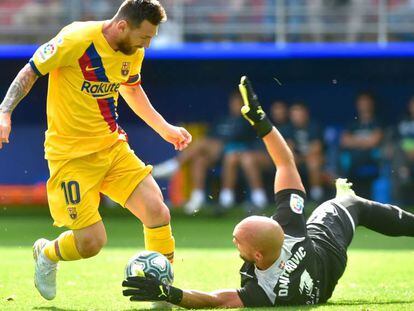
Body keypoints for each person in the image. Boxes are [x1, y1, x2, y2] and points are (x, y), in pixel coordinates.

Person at [122, 76, 414, 308]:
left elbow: (216, 301)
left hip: (322, 276)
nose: (234, 244)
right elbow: (285, 162)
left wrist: (172, 294)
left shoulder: (265, 292)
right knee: (351, 203)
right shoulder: (291, 228)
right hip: (325, 250)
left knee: (347, 201)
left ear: (258, 255)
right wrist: (263, 123)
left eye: (238, 243)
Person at [0, 0, 192, 301]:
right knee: (91, 242)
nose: (148, 44)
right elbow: (31, 71)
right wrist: (4, 112)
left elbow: (131, 88)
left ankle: (160, 291)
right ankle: (47, 253)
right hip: (70, 157)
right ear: (122, 26)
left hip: (112, 147)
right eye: (145, 36)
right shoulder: (76, 39)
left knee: (157, 210)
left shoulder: (133, 51)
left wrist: (164, 128)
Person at [153, 92, 261, 213]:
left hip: (235, 152)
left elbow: (246, 140)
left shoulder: (248, 120)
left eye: (238, 103)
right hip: (217, 154)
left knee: (202, 143)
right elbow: (211, 136)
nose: (235, 105)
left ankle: (174, 166)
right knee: (199, 160)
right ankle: (197, 198)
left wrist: (220, 144)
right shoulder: (223, 119)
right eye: (233, 103)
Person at [340, 92, 383, 198]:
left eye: (366, 102)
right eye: (361, 103)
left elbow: (374, 141)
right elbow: (344, 141)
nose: (364, 105)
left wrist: (355, 141)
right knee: (343, 159)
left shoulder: (377, 122)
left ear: (372, 104)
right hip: (353, 158)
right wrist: (365, 142)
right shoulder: (353, 123)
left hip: (371, 157)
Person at [284, 102, 325, 201]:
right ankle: (291, 197)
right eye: (294, 115)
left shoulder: (314, 126)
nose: (297, 117)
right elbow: (288, 149)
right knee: (288, 163)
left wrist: (303, 156)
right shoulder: (287, 128)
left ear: (306, 114)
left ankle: (317, 195)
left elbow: (317, 148)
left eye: (299, 114)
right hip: (297, 159)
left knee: (313, 161)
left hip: (314, 159)